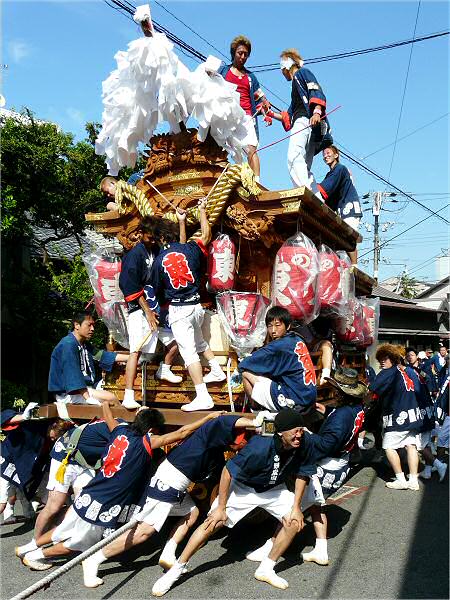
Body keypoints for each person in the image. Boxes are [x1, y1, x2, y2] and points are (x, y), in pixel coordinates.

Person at [20, 407, 221, 571]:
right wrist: (207, 418)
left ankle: (29, 547)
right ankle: (36, 555)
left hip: (90, 492)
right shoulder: (146, 442)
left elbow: (107, 412)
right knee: (77, 544)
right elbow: (182, 433)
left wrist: (106, 403)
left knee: (62, 529)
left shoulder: (119, 429)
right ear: (151, 430)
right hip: (105, 501)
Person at [81, 412, 259, 588]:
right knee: (144, 532)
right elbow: (222, 420)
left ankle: (168, 553)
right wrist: (256, 422)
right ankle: (94, 559)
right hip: (170, 482)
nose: (241, 445)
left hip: (175, 484)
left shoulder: (215, 447)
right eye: (241, 441)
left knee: (192, 512)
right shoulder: (210, 432)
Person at [151, 409, 316, 595]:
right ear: (281, 432)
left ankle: (266, 568)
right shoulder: (260, 446)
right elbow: (227, 471)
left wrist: (296, 507)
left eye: (301, 430)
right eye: (295, 431)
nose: (299, 435)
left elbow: (303, 473)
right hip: (243, 487)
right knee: (213, 522)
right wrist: (221, 507)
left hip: (273, 489)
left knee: (294, 521)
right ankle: (177, 569)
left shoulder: (305, 442)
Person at [247, 367, 367, 567]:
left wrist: (304, 434)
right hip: (341, 463)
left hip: (328, 465)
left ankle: (271, 549)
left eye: (336, 389)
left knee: (293, 507)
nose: (334, 392)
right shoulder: (356, 408)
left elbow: (325, 446)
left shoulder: (341, 416)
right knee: (315, 504)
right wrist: (328, 411)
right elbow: (342, 425)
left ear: (341, 393)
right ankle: (321, 549)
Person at [15, 411, 129, 561]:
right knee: (53, 506)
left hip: (84, 463)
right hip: (65, 456)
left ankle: (61, 533)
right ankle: (35, 544)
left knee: (84, 504)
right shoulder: (119, 430)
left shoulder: (119, 427)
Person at [150, 199, 226, 412]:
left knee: (189, 353)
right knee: (200, 342)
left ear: (161, 238)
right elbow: (206, 236)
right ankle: (216, 370)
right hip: (197, 306)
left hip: (180, 310)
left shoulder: (158, 261)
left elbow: (157, 291)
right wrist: (202, 211)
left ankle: (203, 396)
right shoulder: (189, 249)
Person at [119, 217, 183, 409]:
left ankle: (164, 369)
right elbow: (129, 286)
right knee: (135, 351)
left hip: (157, 306)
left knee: (175, 343)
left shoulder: (157, 250)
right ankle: (128, 394)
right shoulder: (134, 255)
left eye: (155, 238)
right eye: (150, 237)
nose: (153, 240)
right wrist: (147, 311)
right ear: (140, 233)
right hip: (140, 309)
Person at [270, 48, 332, 193]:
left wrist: (317, 112)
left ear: (286, 65)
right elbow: (288, 115)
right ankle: (315, 196)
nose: (281, 72)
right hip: (310, 126)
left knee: (294, 157)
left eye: (281, 67)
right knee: (304, 165)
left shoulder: (302, 73)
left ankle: (303, 193)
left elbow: (315, 90)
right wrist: (269, 113)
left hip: (304, 122)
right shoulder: (296, 85)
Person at [238, 306, 317, 415]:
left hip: (296, 400)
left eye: (278, 325)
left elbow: (245, 364)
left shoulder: (280, 345)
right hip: (308, 397)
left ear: (288, 326)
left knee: (246, 373)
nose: (273, 330)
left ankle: (256, 412)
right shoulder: (297, 339)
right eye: (270, 326)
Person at [370, 344, 423, 491]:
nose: (382, 361)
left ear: (393, 359)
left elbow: (372, 389)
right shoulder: (403, 371)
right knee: (411, 446)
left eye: (385, 358)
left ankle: (401, 480)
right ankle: (413, 480)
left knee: (388, 447)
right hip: (412, 413)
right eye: (380, 359)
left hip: (398, 415)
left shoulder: (388, 372)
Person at [48, 311, 127, 406]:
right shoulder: (68, 345)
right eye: (89, 325)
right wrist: (88, 398)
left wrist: (133, 357)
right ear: (77, 325)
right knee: (111, 398)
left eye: (93, 325)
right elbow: (73, 373)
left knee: (115, 390)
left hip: (84, 389)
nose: (92, 329)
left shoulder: (84, 344)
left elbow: (102, 356)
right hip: (69, 393)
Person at [218, 36, 269, 181]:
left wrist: (264, 101)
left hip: (246, 117)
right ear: (233, 53)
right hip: (226, 116)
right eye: (240, 53)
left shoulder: (251, 77)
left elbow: (259, 94)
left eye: (246, 54)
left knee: (251, 149)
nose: (242, 57)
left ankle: (256, 182)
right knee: (220, 149)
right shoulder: (223, 71)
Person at [405, 348, 447, 482]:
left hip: (424, 407)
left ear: (417, 356)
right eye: (407, 356)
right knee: (426, 443)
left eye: (412, 355)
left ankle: (438, 465)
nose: (409, 357)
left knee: (419, 444)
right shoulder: (409, 370)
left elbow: (430, 384)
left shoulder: (423, 368)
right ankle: (428, 470)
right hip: (420, 407)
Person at [317, 145, 362, 264]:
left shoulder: (340, 169)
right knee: (339, 238)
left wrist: (313, 190)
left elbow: (324, 190)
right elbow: (328, 197)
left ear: (336, 155)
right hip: (342, 209)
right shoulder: (331, 174)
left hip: (349, 207)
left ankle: (354, 266)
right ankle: (346, 264)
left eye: (328, 153)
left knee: (348, 236)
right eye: (324, 154)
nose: (325, 156)